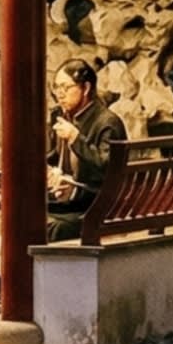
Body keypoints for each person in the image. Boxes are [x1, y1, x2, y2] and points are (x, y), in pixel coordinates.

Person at [46, 60, 126, 240]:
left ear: (86, 88)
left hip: (96, 205)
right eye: (56, 87)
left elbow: (108, 167)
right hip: (70, 200)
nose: (60, 94)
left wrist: (75, 138)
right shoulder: (61, 116)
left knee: (49, 227)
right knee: (23, 213)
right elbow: (55, 158)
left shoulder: (107, 122)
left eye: (66, 87)